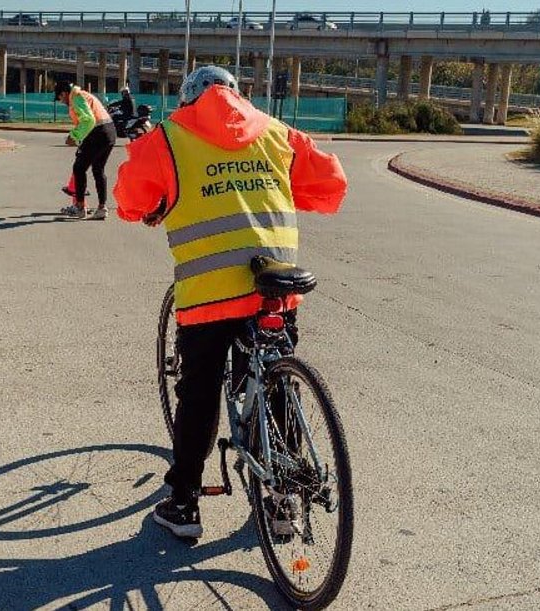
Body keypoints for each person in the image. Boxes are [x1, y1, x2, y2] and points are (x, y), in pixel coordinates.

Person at [113, 65, 348, 538]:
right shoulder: (277, 133)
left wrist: (156, 203)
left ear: (188, 99)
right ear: (237, 94)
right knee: (276, 383)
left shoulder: (169, 137)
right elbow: (330, 185)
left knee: (198, 393)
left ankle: (183, 505)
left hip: (209, 293)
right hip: (275, 287)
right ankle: (285, 501)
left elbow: (129, 199)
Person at [55, 80, 117, 220]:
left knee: (79, 168)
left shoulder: (76, 97)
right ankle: (102, 208)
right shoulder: (83, 94)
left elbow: (88, 120)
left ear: (64, 93)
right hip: (109, 132)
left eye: (59, 97)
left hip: (98, 132)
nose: (60, 101)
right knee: (98, 170)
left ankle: (80, 207)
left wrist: (74, 136)